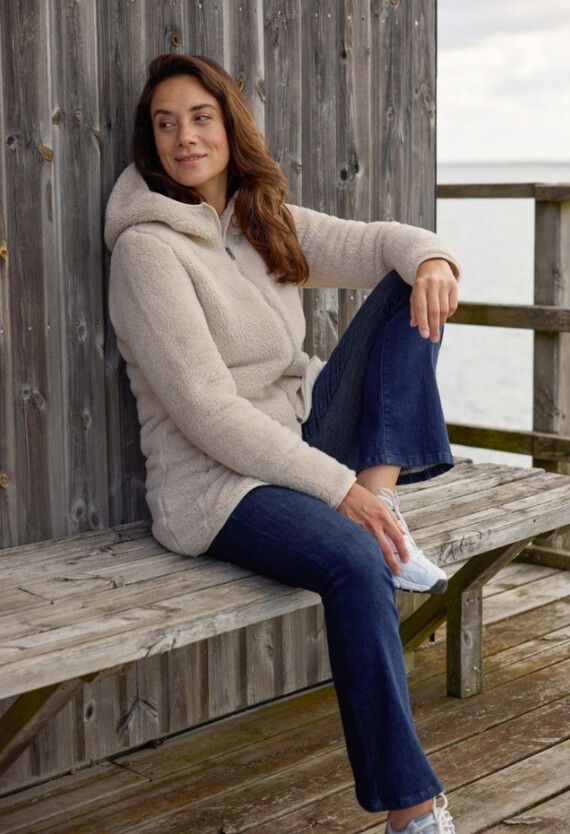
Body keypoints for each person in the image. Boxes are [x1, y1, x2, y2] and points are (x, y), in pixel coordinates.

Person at [105, 53, 460, 834]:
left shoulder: (259, 218)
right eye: (166, 124)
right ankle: (412, 812)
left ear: (229, 126)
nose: (184, 137)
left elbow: (382, 241)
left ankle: (387, 508)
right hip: (215, 485)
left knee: (410, 284)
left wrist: (434, 259)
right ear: (150, 142)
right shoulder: (147, 250)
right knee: (353, 561)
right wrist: (338, 491)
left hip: (296, 439)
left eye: (200, 118)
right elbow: (206, 412)